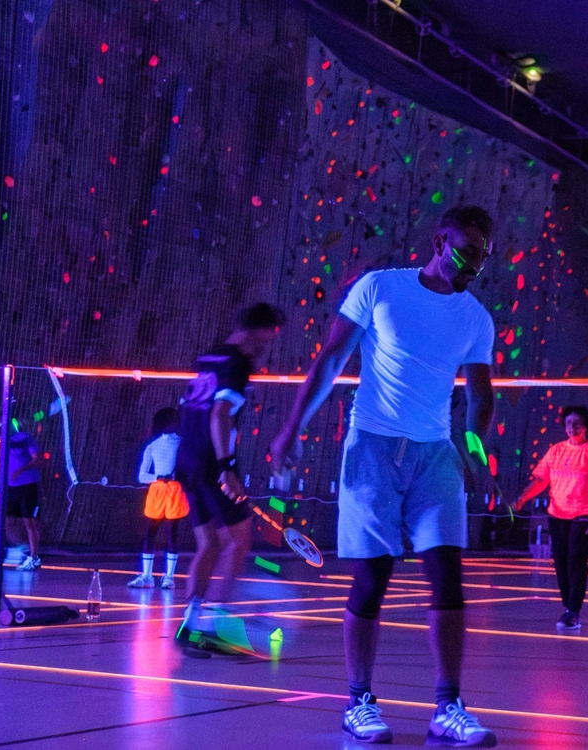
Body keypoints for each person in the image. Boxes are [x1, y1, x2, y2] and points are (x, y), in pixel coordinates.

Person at [270, 206, 499, 747]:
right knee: (373, 577)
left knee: (448, 576)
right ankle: (360, 702)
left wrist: (473, 449)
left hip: (436, 454)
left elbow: (480, 392)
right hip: (372, 448)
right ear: (440, 239)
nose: (472, 268)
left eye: (482, 261)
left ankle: (448, 707)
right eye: (466, 253)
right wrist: (291, 429)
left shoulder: (475, 318)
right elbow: (330, 360)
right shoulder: (379, 288)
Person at [174, 303, 284, 651]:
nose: (270, 343)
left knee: (208, 544)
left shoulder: (209, 357)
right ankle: (217, 626)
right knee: (239, 542)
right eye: (270, 335)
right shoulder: (238, 364)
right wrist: (227, 467)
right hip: (211, 461)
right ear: (258, 330)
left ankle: (191, 624)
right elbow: (220, 412)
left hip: (186, 458)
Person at [514, 405, 588, 630]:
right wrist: (522, 498)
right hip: (557, 514)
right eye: (568, 423)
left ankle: (573, 610)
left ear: (586, 427)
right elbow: (541, 481)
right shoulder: (555, 451)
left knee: (575, 560)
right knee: (560, 562)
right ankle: (568, 606)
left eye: (577, 423)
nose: (572, 427)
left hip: (584, 514)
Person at [128, 408, 187, 589]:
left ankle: (169, 576)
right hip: (157, 492)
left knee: (172, 535)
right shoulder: (152, 446)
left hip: (176, 492)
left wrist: (177, 477)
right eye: (169, 422)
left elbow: (188, 469)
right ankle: (147, 576)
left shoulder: (182, 445)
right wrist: (159, 477)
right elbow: (142, 476)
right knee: (150, 534)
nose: (172, 425)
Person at [0, 417, 42, 572]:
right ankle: (24, 548)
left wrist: (21, 470)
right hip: (10, 487)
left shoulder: (24, 438)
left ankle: (33, 558)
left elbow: (37, 459)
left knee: (29, 522)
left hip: (27, 485)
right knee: (7, 522)